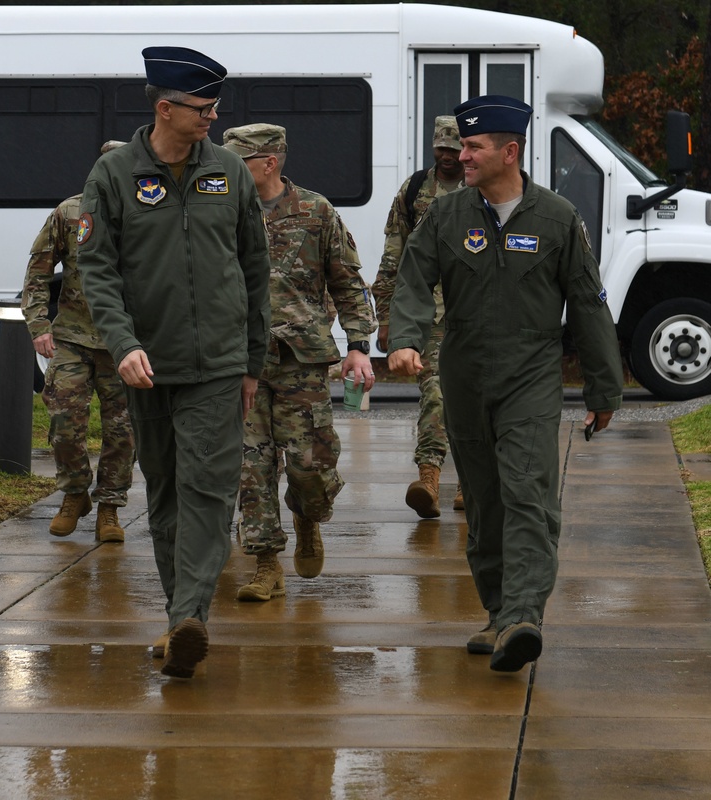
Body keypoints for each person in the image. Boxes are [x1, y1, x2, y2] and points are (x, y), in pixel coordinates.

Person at [387, 95, 622, 672]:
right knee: (486, 504)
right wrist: (404, 339)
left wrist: (604, 388)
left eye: (473, 147)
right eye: (462, 146)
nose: (460, 156)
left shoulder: (557, 218)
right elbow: (413, 279)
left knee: (527, 493)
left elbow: (589, 306)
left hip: (531, 375)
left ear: (509, 151)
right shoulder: (446, 216)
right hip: (464, 374)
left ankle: (524, 615)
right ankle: (498, 617)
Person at [76, 46, 271, 679]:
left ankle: (191, 615)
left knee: (208, 490)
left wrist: (251, 361)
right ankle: (178, 616)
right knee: (163, 491)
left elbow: (254, 270)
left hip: (216, 365)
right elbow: (97, 271)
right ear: (166, 107)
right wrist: (123, 343)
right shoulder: (113, 177)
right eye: (202, 107)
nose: (212, 117)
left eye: (215, 106)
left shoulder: (231, 174)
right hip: (147, 365)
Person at [222, 123, 376, 602]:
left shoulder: (315, 211)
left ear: (269, 163)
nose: (229, 170)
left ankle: (309, 517)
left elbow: (348, 283)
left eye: (239, 162)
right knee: (252, 465)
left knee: (308, 463)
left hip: (300, 360)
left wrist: (357, 346)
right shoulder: (221, 211)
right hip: (237, 358)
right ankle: (266, 563)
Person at [20, 141, 134, 543]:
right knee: (65, 424)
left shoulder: (149, 213)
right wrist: (39, 325)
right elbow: (37, 273)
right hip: (72, 337)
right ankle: (74, 494)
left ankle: (109, 508)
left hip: (126, 344)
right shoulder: (70, 213)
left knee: (123, 432)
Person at [373, 116, 465, 519]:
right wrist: (386, 318)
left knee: (474, 397)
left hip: (475, 311)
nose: (446, 156)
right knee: (436, 392)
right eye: (440, 148)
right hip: (428, 314)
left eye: (454, 149)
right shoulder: (415, 191)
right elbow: (394, 254)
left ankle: (470, 483)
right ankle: (429, 477)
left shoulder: (483, 187)